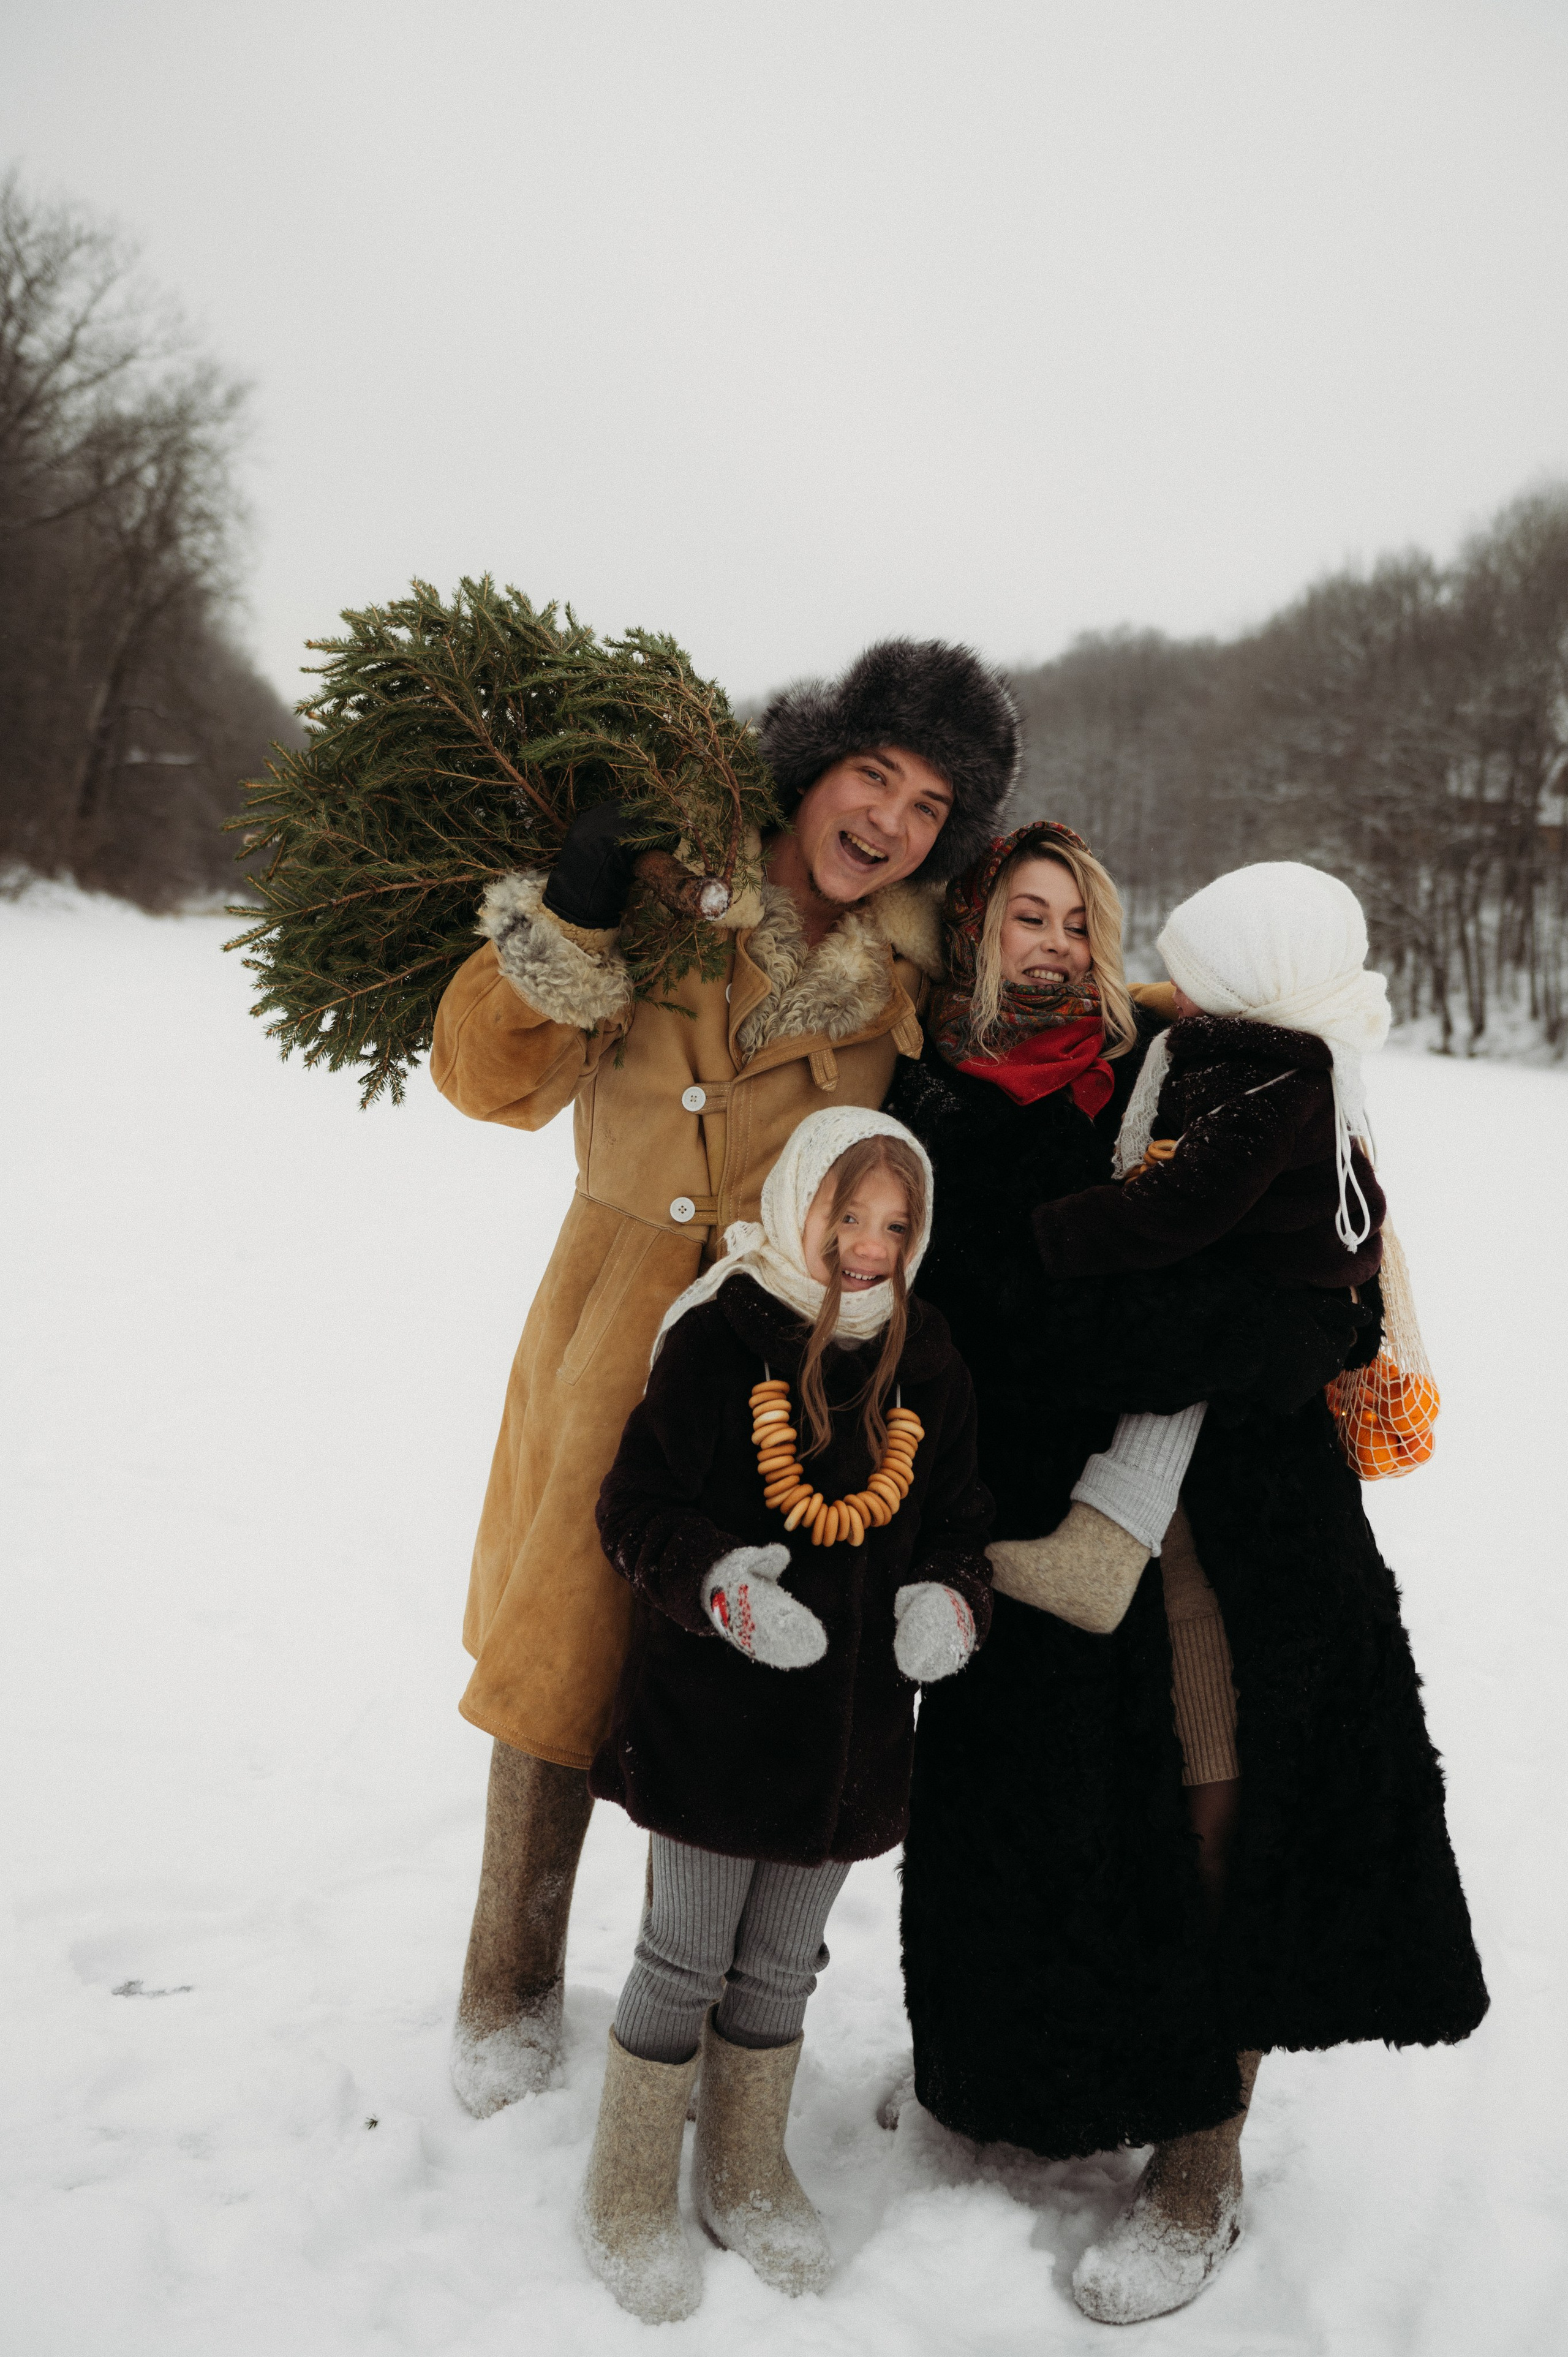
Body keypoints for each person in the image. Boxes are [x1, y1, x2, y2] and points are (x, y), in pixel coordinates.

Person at [895, 855, 1488, 2328]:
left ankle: (1203, 2152)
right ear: (969, 933)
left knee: (1233, 1789)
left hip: (1245, 1512)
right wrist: (1145, 1329)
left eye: (1075, 914)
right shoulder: (924, 1095)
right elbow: (958, 1302)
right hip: (1031, 1498)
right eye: (1020, 915)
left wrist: (1172, 1334)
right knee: (1050, 1808)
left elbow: (1317, 1293)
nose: (1052, 942)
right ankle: (1038, 2071)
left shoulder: (1182, 1056)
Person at [429, 639, 1019, 2116]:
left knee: (756, 1645)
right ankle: (505, 1977)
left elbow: (1059, 984)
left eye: (929, 803)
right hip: (619, 1314)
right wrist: (568, 910)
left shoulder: (912, 967)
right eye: (871, 773)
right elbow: (484, 1084)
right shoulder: (669, 894)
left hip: (796, 1355)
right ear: (816, 762)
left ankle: (701, 1995)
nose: (888, 818)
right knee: (560, 1652)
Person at [576, 1107, 992, 2322]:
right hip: (714, 1724)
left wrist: (949, 1603)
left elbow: (959, 1517)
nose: (864, 1246)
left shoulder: (928, 1355)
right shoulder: (721, 1334)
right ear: (797, 1201)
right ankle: (627, 2177)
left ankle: (747, 2165)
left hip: (853, 1733)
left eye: (892, 1224)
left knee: (778, 1965)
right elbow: (634, 1503)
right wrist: (715, 1587)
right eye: (844, 1215)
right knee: (683, 1953)